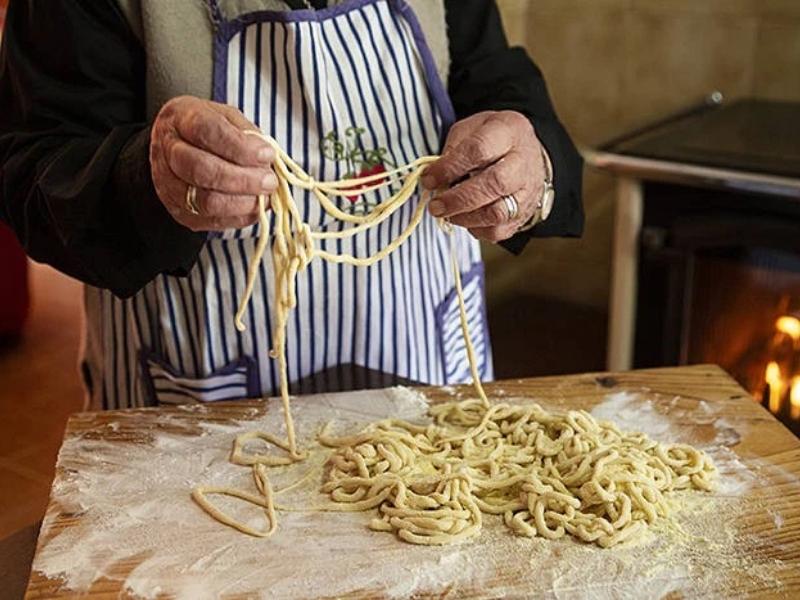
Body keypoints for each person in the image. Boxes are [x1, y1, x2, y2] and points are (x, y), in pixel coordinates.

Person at [0, 0, 583, 410]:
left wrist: (534, 165)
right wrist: (142, 177)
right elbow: (34, 169)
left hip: (424, 386)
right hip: (198, 402)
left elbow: (493, 75)